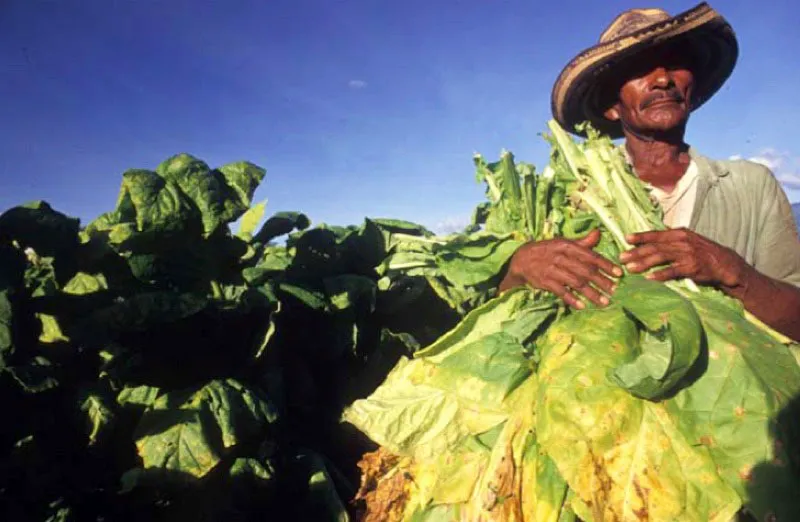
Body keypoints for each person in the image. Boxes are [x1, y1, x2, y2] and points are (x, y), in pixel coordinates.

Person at [499, 2, 800, 341]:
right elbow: (510, 328)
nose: (662, 79)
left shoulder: (751, 185)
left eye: (676, 63)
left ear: (693, 85)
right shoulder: (567, 197)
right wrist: (517, 272)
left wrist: (731, 271)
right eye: (639, 69)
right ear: (612, 107)